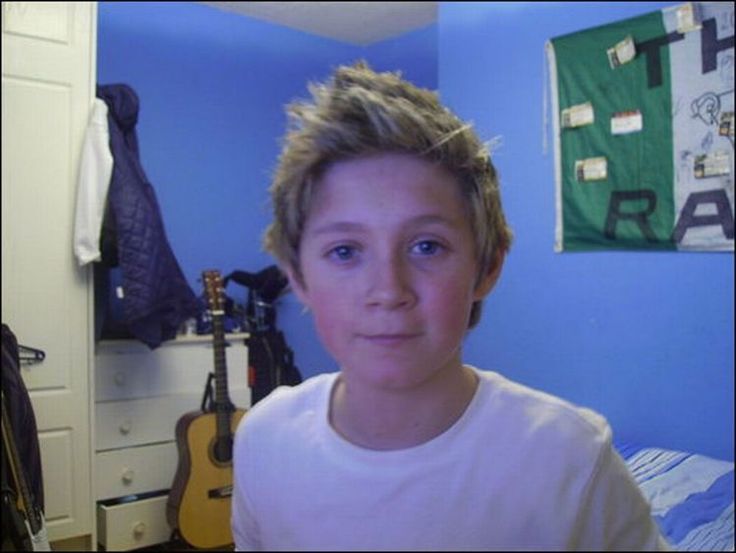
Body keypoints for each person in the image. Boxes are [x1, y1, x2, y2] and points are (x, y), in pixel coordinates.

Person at [231, 60, 670, 551]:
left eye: (426, 247)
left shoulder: (571, 459)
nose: (388, 290)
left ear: (486, 267)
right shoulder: (263, 441)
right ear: (299, 278)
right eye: (345, 252)